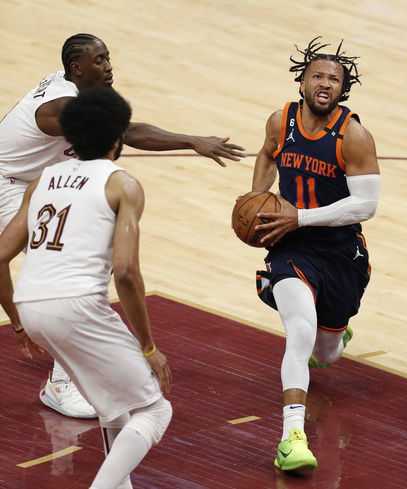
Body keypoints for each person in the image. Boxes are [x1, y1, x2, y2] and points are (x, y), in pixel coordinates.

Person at [0, 33, 245, 419]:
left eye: (108, 57)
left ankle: (66, 352)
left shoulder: (78, 89)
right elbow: (125, 132)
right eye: (99, 60)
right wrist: (191, 140)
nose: (109, 66)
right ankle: (60, 385)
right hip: (8, 184)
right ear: (77, 69)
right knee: (61, 271)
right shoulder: (59, 106)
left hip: (35, 179)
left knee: (65, 269)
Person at [0, 86, 172, 489]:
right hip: (78, 306)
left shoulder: (41, 180)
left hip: (32, 306)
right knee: (154, 411)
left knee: (112, 407)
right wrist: (148, 347)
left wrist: (18, 322)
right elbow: (126, 272)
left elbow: (0, 253)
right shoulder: (122, 184)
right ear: (118, 137)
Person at [251, 37, 380, 470]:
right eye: (318, 76)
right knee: (300, 332)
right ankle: (291, 437)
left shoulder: (354, 135)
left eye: (334, 79)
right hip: (292, 249)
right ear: (302, 82)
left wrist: (298, 217)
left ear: (343, 90)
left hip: (341, 251)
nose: (325, 83)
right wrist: (257, 200)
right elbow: (268, 155)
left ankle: (334, 333)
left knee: (325, 352)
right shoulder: (280, 120)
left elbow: (366, 206)